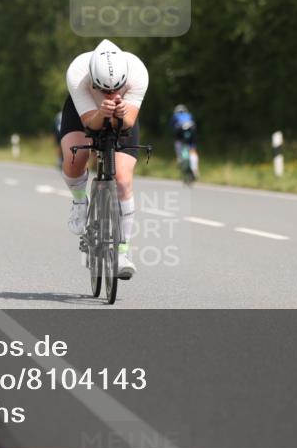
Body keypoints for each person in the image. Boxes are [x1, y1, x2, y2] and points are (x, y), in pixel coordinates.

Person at [59, 39, 148, 280]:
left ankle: (122, 252)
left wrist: (120, 113)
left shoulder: (138, 71)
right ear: (93, 80)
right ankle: (79, 202)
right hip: (85, 113)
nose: (111, 94)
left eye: (116, 88)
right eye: (105, 90)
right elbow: (90, 123)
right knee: (76, 155)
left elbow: (128, 122)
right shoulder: (78, 73)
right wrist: (102, 113)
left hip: (122, 113)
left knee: (122, 180)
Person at [170, 104, 199, 178]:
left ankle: (179, 158)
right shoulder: (189, 115)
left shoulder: (175, 116)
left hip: (180, 135)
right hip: (191, 133)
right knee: (193, 150)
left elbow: (171, 127)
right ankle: (195, 169)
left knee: (177, 143)